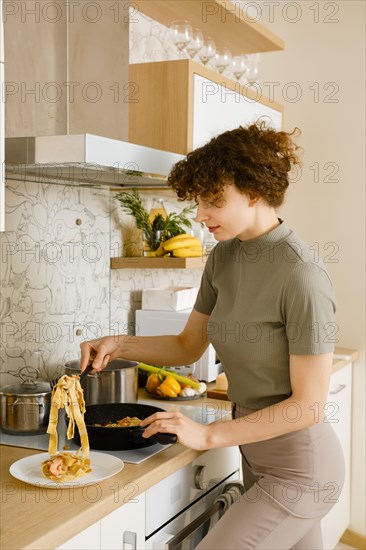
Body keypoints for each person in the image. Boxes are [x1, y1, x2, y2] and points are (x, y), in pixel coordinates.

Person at [80, 122, 344, 549]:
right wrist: (119, 343)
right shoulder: (224, 257)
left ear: (254, 193)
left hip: (301, 468)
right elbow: (188, 345)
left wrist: (207, 436)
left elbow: (309, 407)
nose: (200, 214)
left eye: (213, 200)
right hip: (255, 455)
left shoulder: (302, 274)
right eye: (200, 200)